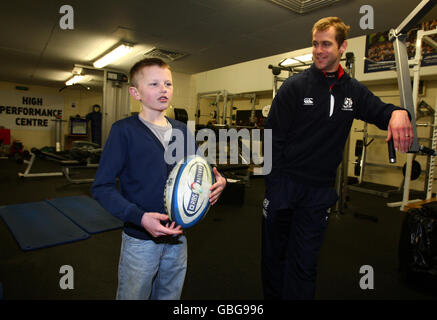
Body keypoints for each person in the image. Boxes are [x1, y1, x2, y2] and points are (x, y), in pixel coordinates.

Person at [262, 17, 413, 300]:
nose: (319, 50)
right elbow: (272, 139)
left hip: (318, 192)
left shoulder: (353, 91)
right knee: (275, 257)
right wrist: (274, 187)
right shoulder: (294, 87)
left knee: (305, 263)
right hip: (285, 185)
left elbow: (380, 111)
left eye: (326, 44)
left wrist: (397, 112)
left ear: (342, 46)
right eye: (315, 44)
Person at [92, 58, 226, 300]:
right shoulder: (124, 131)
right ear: (136, 92)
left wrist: (218, 182)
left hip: (178, 238)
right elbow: (102, 187)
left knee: (169, 296)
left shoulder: (182, 130)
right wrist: (140, 218)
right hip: (140, 242)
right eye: (154, 84)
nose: (163, 89)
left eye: (168, 83)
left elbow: (199, 170)